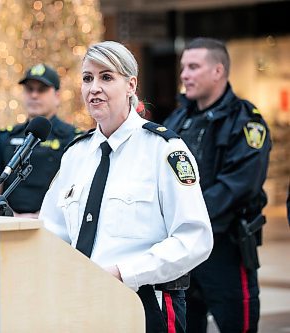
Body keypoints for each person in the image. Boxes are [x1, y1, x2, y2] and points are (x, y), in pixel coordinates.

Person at [39, 41, 213, 332]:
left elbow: (194, 238)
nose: (94, 87)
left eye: (106, 77)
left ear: (131, 85)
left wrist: (123, 273)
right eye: (87, 78)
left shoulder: (164, 150)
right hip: (80, 302)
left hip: (145, 302)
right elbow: (52, 230)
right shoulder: (75, 155)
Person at [163, 37, 272, 332]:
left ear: (218, 71)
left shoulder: (246, 122)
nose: (184, 74)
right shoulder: (179, 119)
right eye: (183, 67)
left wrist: (187, 215)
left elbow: (239, 185)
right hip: (183, 251)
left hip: (226, 249)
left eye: (194, 67)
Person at [0, 64, 80, 218]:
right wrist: (13, 218)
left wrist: (42, 218)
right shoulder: (4, 137)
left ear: (57, 96)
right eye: (29, 89)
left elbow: (78, 191)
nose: (34, 95)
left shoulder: (74, 138)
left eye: (42, 89)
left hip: (53, 228)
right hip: (8, 226)